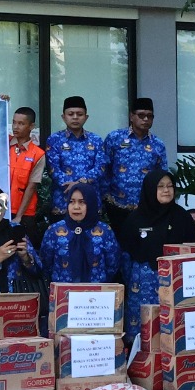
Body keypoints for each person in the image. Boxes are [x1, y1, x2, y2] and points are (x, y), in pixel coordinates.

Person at [121, 170, 195, 347]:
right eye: (161, 186)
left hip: (177, 285)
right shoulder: (135, 219)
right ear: (150, 189)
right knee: (144, 336)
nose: (166, 190)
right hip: (142, 289)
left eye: (170, 186)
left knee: (175, 334)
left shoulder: (182, 217)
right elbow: (125, 258)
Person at [102, 98, 168, 237]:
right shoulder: (115, 138)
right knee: (119, 245)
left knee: (143, 245)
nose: (145, 119)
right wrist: (106, 199)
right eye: (141, 115)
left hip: (146, 207)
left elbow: (161, 176)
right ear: (131, 116)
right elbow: (104, 169)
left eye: (149, 116)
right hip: (117, 205)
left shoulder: (157, 144)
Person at [39, 183, 122, 286]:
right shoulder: (54, 231)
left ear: (91, 204)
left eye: (82, 202)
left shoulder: (104, 231)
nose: (76, 207)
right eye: (71, 202)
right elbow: (46, 263)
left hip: (96, 295)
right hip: (63, 294)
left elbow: (113, 265)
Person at [45, 96, 107, 214]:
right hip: (63, 199)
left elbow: (101, 167)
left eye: (79, 114)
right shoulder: (54, 140)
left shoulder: (96, 140)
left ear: (86, 117)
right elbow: (53, 169)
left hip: (90, 198)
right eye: (70, 114)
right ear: (63, 117)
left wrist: (81, 183)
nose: (75, 117)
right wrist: (72, 186)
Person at [8, 106, 45, 227]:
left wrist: (19, 216)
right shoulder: (3, 143)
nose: (15, 127)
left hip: (25, 213)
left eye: (21, 123)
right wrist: (0, 102)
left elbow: (31, 186)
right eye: (13, 122)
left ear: (31, 126)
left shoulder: (38, 154)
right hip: (1, 208)